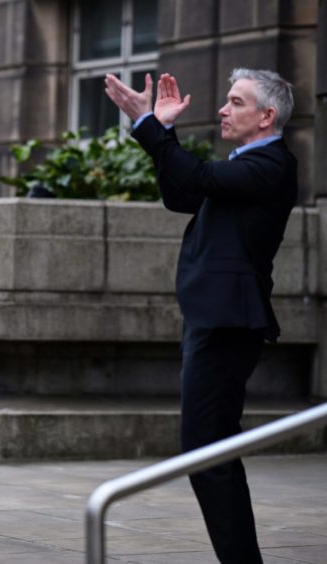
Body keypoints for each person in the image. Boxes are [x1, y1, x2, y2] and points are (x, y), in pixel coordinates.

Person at [104, 69, 297, 563]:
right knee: (209, 450)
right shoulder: (244, 164)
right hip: (213, 319)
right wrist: (162, 131)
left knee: (207, 451)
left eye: (235, 102)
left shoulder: (272, 163)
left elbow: (195, 177)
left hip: (230, 322)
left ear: (266, 116)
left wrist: (147, 122)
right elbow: (182, 194)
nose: (222, 110)